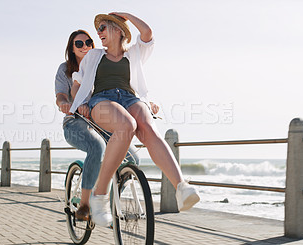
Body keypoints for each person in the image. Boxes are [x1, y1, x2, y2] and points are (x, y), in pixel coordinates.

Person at [69, 12, 200, 227]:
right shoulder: (94, 56)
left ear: (118, 30)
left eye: (103, 28)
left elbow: (147, 33)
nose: (99, 32)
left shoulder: (134, 54)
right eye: (98, 29)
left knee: (148, 127)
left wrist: (125, 15)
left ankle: (182, 187)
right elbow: (78, 83)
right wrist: (79, 103)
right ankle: (99, 196)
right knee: (127, 125)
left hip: (130, 97)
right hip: (101, 100)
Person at [55, 29, 140, 221]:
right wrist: (65, 104)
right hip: (75, 122)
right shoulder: (65, 69)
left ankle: (105, 200)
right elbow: (61, 95)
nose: (85, 46)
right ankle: (85, 205)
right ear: (72, 48)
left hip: (100, 121)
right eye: (79, 44)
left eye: (88, 42)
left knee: (133, 158)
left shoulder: (100, 63)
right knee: (97, 146)